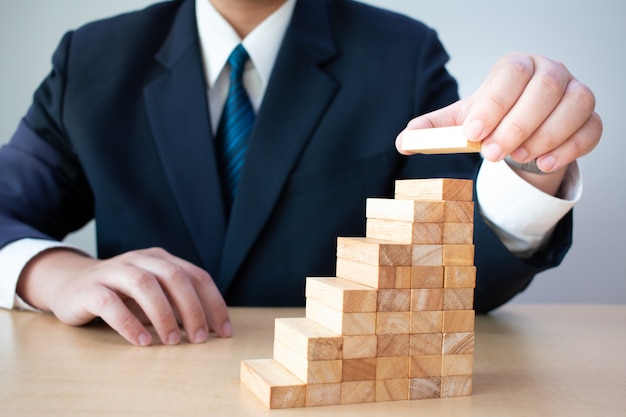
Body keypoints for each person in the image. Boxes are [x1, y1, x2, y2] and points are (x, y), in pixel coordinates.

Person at [0, 0, 601, 347]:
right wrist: (52, 274)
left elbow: (455, 270)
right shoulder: (91, 60)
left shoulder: (403, 55)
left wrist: (526, 168)